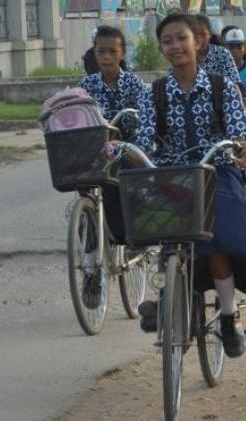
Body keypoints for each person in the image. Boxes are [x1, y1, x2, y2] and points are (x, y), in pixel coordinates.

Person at [135, 14, 246, 358]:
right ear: (161, 49)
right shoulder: (154, 92)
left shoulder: (219, 86)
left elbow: (242, 128)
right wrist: (130, 154)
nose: (175, 46)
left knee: (217, 243)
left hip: (216, 171)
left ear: (197, 42)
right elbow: (143, 141)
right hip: (171, 176)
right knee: (161, 233)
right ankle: (165, 292)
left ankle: (228, 317)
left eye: (181, 38)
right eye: (167, 41)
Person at [78, 25, 150, 306]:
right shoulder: (87, 85)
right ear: (94, 53)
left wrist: (128, 136)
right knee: (87, 208)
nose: (105, 56)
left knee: (125, 190)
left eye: (112, 51)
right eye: (101, 51)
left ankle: (133, 236)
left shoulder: (135, 85)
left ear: (122, 54)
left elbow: (145, 120)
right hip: (94, 152)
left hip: (125, 151)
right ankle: (90, 271)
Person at [194, 14, 241, 84]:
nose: (199, 38)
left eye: (203, 34)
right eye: (195, 34)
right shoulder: (184, 55)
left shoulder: (222, 54)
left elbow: (234, 82)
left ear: (210, 35)